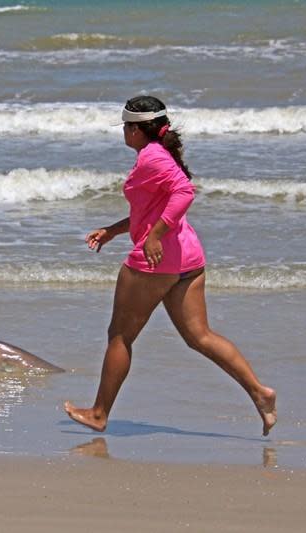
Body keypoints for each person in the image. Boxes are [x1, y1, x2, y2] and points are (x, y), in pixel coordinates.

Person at [63, 95, 277, 436]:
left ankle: (99, 413)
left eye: (125, 127)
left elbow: (184, 192)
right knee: (200, 337)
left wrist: (154, 236)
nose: (123, 132)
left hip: (156, 262)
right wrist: (113, 231)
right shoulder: (158, 156)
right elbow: (148, 209)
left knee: (120, 335)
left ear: (136, 130)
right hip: (187, 257)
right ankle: (260, 394)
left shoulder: (152, 158)